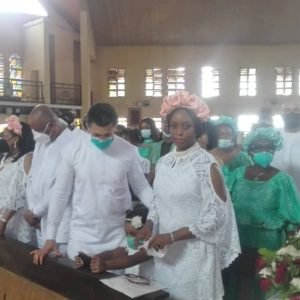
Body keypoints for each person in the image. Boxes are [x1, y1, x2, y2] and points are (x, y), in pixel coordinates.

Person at [31, 103, 156, 265]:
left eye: (107, 135)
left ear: (115, 127)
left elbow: (141, 188)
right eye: (97, 135)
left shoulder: (128, 151)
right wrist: (50, 238)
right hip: (81, 236)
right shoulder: (73, 149)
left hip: (115, 238)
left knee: (114, 286)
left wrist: (156, 209)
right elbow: (60, 194)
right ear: (87, 127)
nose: (102, 140)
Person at [148, 91, 240, 300]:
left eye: (186, 126)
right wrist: (148, 225)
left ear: (198, 128)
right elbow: (157, 201)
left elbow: (216, 215)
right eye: (174, 126)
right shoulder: (164, 162)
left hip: (193, 254)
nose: (179, 132)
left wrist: (173, 236)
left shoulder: (206, 164)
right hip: (165, 254)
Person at [225, 127, 300, 300]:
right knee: (239, 283)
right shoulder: (237, 174)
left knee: (263, 284)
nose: (264, 152)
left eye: (269, 149)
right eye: (258, 148)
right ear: (250, 150)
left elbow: (292, 218)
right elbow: (224, 204)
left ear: (275, 151)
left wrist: (290, 252)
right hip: (239, 239)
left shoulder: (282, 180)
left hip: (267, 243)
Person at [25, 105, 74, 252]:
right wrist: (32, 208)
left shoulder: (71, 143)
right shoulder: (41, 141)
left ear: (52, 125)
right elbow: (32, 175)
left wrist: (36, 211)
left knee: (60, 268)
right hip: (39, 221)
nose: (36, 135)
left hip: (61, 221)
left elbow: (62, 185)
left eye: (39, 130)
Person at [74, 204, 153, 278]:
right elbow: (113, 254)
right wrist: (92, 260)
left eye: (133, 233)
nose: (129, 237)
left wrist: (106, 265)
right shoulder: (128, 246)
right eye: (127, 233)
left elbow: (132, 259)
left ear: (145, 231)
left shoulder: (152, 247)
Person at [0, 115, 36, 245]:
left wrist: (4, 220)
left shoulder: (27, 158)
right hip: (2, 214)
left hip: (16, 218)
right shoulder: (5, 158)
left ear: (16, 139)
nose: (2, 139)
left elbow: (22, 192)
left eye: (5, 136)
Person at [209, 115, 252, 186]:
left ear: (233, 136)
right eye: (221, 134)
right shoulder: (208, 155)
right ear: (215, 135)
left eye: (228, 134)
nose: (224, 137)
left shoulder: (242, 157)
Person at [272, 102, 300, 192]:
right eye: (287, 110)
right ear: (282, 114)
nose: (291, 113)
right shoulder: (273, 135)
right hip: (276, 190)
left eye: (296, 110)